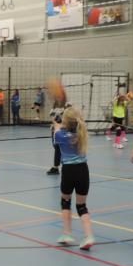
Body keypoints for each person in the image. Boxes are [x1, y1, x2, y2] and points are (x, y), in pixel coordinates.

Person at [53, 106, 94, 250]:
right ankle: (89, 236)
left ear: (65, 120)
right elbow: (78, 124)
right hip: (83, 170)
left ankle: (67, 234)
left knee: (65, 201)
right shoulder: (82, 132)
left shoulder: (60, 135)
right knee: (82, 206)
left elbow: (57, 131)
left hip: (69, 171)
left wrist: (56, 122)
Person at [46, 101, 66, 175]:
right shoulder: (53, 110)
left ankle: (56, 167)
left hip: (61, 130)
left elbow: (65, 120)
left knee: (58, 147)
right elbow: (53, 120)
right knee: (56, 147)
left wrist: (62, 113)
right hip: (54, 130)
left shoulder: (65, 109)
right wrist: (55, 116)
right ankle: (58, 166)